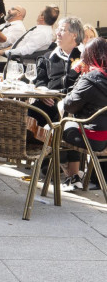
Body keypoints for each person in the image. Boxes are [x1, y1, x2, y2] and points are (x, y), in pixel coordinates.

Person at [32, 16, 85, 189]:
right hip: (48, 104)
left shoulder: (84, 57)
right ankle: (37, 155)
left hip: (72, 105)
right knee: (28, 112)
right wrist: (42, 93)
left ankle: (70, 172)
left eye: (63, 30)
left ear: (74, 36)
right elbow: (39, 81)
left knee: (69, 120)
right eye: (58, 29)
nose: (58, 33)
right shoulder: (48, 57)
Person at [62, 38, 107, 189]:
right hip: (105, 137)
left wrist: (81, 77)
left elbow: (69, 105)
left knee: (54, 129)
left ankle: (70, 176)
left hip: (93, 139)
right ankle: (74, 176)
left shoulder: (91, 79)